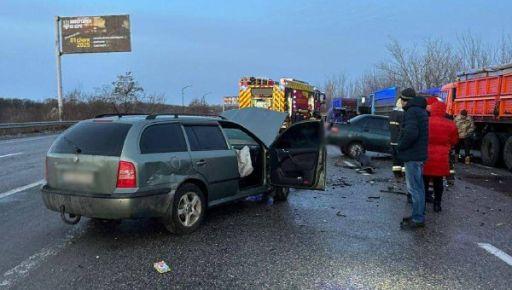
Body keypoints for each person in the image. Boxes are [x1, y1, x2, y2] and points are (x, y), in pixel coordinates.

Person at [397, 88, 429, 229]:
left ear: (405, 100)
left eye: (401, 100)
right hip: (419, 155)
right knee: (419, 188)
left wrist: (400, 146)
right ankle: (418, 214)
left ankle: (417, 218)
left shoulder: (411, 112)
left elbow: (411, 133)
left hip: (413, 155)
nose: (400, 102)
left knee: (414, 188)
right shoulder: (420, 111)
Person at [423, 101, 459, 212]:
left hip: (426, 157)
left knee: (424, 182)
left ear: (432, 110)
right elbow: (454, 141)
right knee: (438, 183)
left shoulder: (425, 122)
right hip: (441, 158)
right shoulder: (450, 124)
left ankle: (422, 205)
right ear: (444, 110)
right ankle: (437, 204)